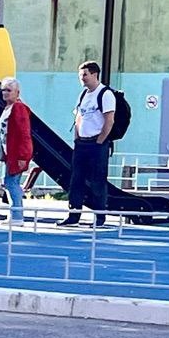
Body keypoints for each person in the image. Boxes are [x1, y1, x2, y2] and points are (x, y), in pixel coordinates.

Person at [59, 60, 115, 227]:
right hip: (82, 143)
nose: (82, 78)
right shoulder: (83, 94)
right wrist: (77, 137)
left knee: (98, 181)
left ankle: (99, 217)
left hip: (97, 143)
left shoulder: (105, 94)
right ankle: (74, 214)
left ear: (94, 74)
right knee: (76, 179)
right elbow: (79, 116)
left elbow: (109, 120)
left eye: (85, 74)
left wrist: (99, 142)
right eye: (80, 75)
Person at [0, 78, 33, 222]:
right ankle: (15, 214)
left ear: (17, 92)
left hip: (17, 153)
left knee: (12, 183)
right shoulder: (8, 108)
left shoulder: (18, 108)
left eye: (9, 90)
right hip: (10, 153)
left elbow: (24, 133)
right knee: (9, 183)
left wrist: (23, 156)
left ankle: (17, 216)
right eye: (3, 90)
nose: (5, 93)